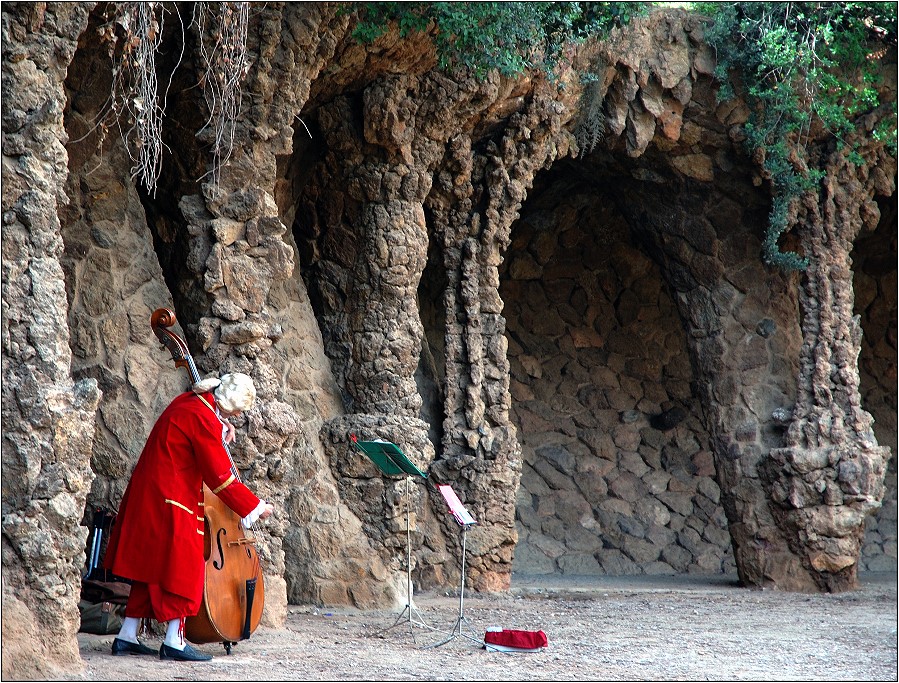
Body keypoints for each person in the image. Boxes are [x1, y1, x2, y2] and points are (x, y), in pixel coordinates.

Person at [103, 372, 274, 662]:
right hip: (172, 496)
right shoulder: (203, 418)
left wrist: (221, 427)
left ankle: (127, 635)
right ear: (229, 404)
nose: (239, 415)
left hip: (153, 491)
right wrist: (254, 506)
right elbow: (219, 477)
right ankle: (174, 640)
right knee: (183, 567)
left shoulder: (191, 402)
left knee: (153, 567)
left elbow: (199, 435)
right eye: (238, 410)